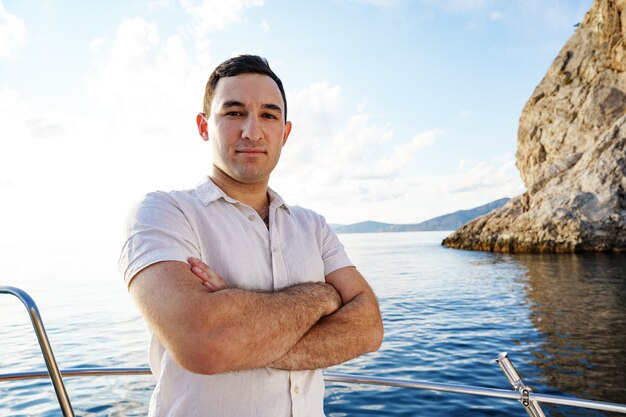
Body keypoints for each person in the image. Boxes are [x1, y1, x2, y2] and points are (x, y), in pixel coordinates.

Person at [119, 54, 383, 417]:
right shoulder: (164, 213)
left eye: (269, 115)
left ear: (285, 133)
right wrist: (323, 297)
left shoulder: (313, 226)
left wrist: (242, 333)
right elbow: (204, 344)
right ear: (203, 126)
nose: (252, 131)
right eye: (234, 112)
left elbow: (368, 327)